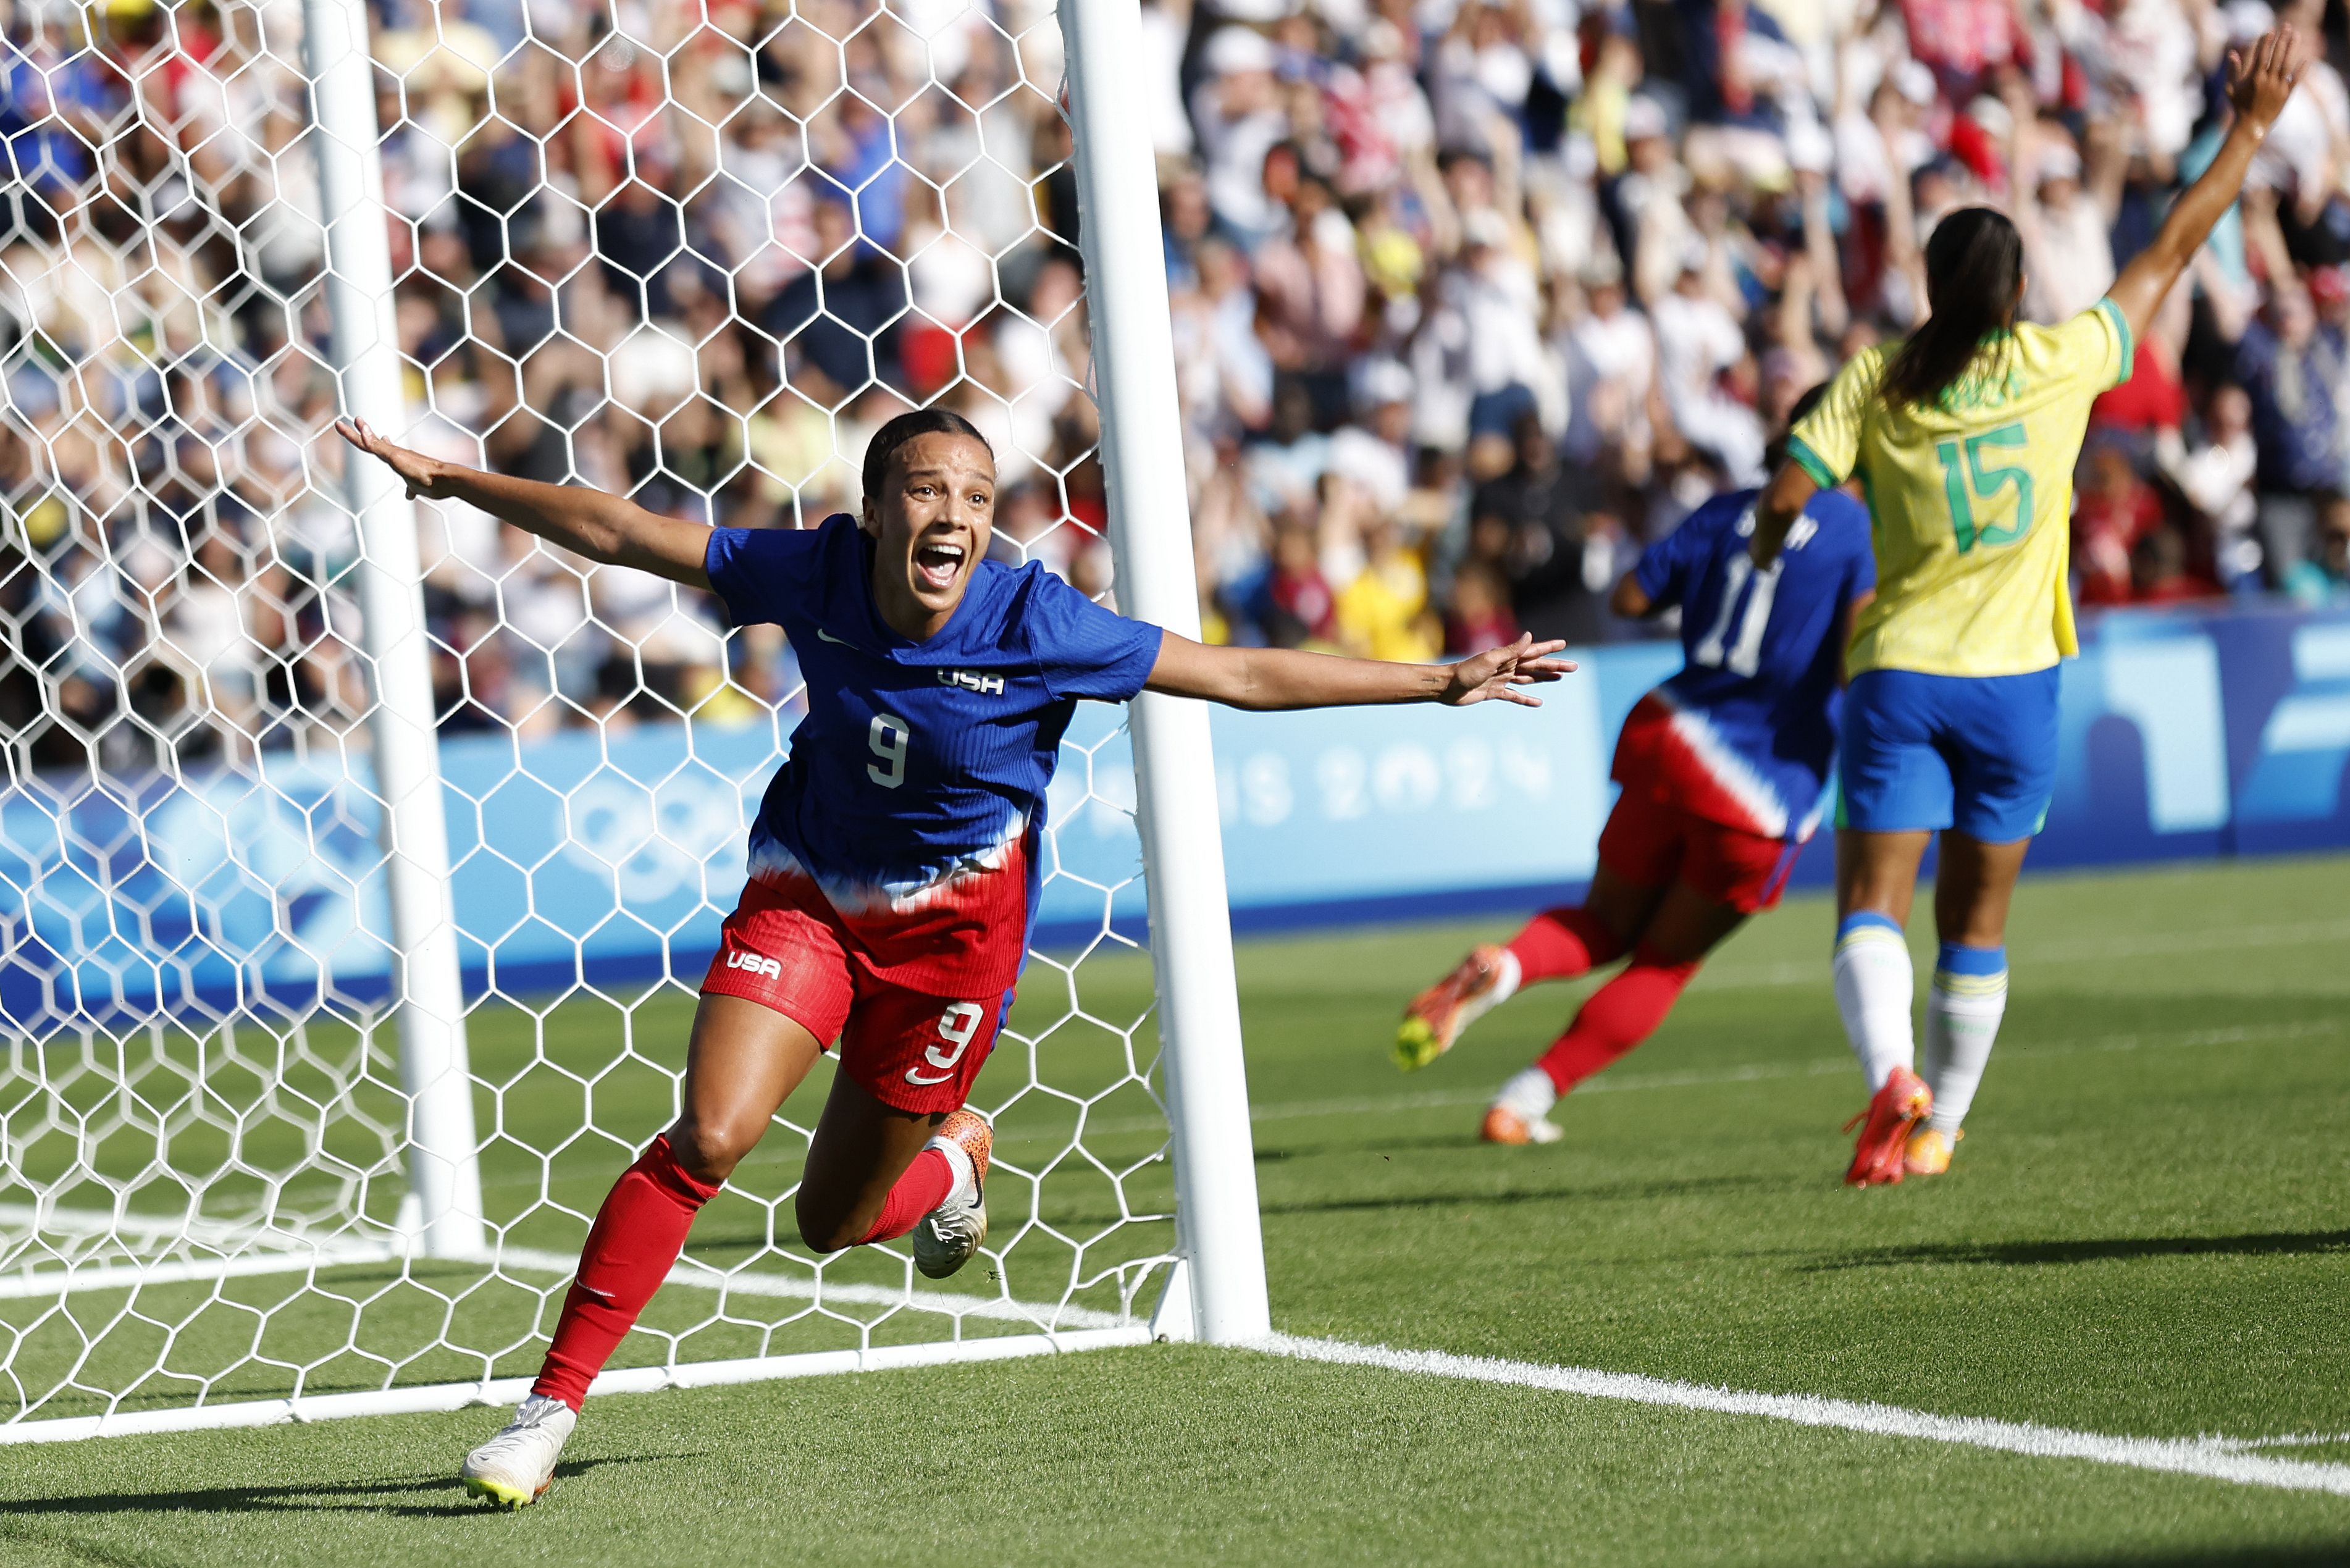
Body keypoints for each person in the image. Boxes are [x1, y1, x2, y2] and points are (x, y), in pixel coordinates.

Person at [336, 407, 1574, 1507]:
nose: (957, 517)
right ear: (875, 510)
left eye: (978, 499)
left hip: (952, 953)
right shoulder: (814, 572)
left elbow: (1239, 671)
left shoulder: (1037, 618)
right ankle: (550, 1405)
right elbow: (617, 531)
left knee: (837, 1222)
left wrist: (1437, 679)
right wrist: (455, 484)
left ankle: (955, 1158)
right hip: (808, 896)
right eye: (930, 491)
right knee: (711, 1135)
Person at [1746, 28, 2310, 1185]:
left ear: (1929, 288)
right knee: (1981, 919)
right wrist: (2248, 126)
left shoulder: (1877, 378)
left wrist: (1770, 544)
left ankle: (1887, 1081)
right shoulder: (2061, 360)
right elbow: (2170, 246)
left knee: (1871, 901)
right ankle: (1942, 1122)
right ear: (2014, 293)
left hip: (1902, 671)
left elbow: (1787, 491)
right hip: (2018, 685)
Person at [1395, 385, 1873, 1144]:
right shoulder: (1860, 531)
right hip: (1762, 782)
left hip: (1670, 735)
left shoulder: (1724, 509)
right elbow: (1858, 664)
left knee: (1604, 923)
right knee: (1663, 963)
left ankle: (1506, 965)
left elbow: (1629, 594)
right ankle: (1521, 1100)